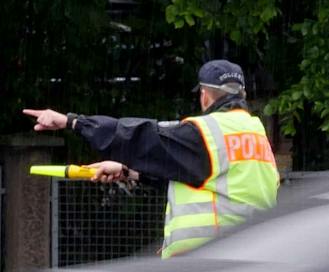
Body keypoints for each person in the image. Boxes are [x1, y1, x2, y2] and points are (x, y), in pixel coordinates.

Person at [22, 59, 280, 257]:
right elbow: (211, 186)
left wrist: (72, 121)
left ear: (205, 94)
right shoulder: (255, 134)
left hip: (207, 262)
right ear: (242, 94)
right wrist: (129, 173)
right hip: (245, 257)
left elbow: (140, 136)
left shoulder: (206, 134)